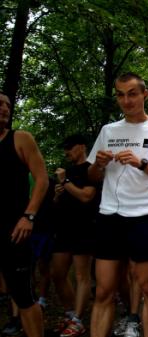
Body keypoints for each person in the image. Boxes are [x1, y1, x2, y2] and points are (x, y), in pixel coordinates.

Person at [87, 73, 148, 337]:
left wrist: (141, 163)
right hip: (110, 214)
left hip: (146, 214)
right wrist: (98, 164)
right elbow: (92, 178)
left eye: (132, 93)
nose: (126, 100)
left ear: (145, 94)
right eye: (120, 95)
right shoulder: (108, 131)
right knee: (103, 291)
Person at [0, 91, 48, 337]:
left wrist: (29, 216)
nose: (5, 108)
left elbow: (42, 179)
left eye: (7, 105)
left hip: (15, 230)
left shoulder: (20, 139)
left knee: (23, 295)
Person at [52, 134, 99, 337]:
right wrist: (57, 193)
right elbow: (58, 203)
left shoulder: (92, 170)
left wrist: (66, 182)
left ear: (82, 147)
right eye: (66, 148)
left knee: (82, 275)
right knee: (58, 274)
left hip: (84, 227)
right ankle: (70, 313)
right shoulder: (68, 172)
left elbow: (87, 196)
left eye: (70, 147)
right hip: (64, 229)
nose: (67, 152)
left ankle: (78, 320)